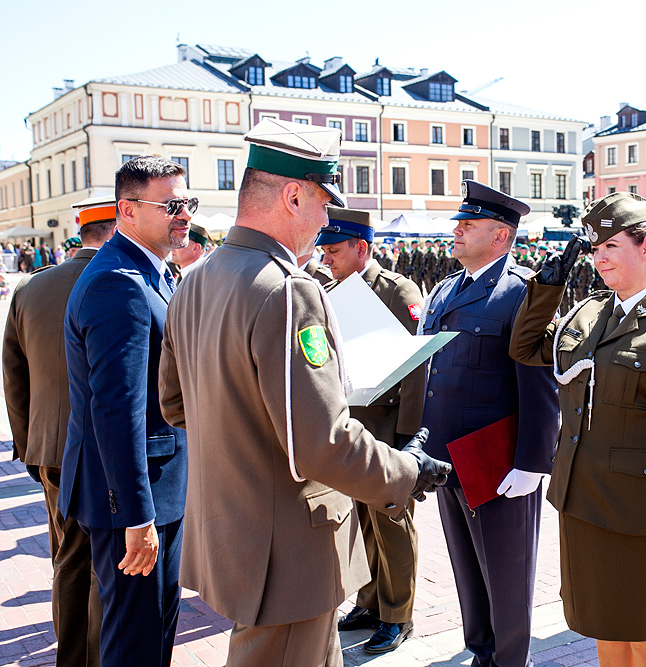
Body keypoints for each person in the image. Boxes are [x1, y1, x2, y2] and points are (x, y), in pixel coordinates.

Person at [158, 118, 450, 667]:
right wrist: (406, 471)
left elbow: (176, 405)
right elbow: (320, 442)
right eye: (321, 204)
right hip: (287, 545)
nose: (324, 221)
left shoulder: (195, 278)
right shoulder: (289, 290)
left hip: (234, 526)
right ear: (292, 196)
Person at [512, 191, 646, 666]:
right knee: (603, 628)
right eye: (595, 248)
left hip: (645, 517)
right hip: (583, 504)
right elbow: (525, 348)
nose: (599, 257)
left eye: (611, 246)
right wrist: (546, 288)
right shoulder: (587, 314)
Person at [418, 180, 560, 667]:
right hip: (446, 455)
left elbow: (541, 383)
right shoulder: (443, 289)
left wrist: (532, 463)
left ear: (501, 236)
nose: (456, 231)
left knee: (506, 572)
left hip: (497, 461)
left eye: (469, 224)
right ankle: (481, 652)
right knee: (467, 569)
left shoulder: (522, 293)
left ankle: (509, 659)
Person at [59, 158, 194, 667]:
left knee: (154, 633)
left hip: (159, 489)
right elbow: (115, 411)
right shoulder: (119, 282)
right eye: (172, 205)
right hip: (134, 501)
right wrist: (136, 516)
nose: (184, 215)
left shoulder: (150, 272)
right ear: (127, 210)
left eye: (188, 204)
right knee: (134, 644)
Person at [3, 195, 117, 666]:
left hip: (49, 444)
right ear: (117, 226)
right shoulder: (118, 280)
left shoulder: (31, 288)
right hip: (107, 447)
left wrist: (28, 442)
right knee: (107, 563)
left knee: (67, 557)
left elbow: (14, 374)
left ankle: (72, 654)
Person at [316, 208, 425, 654]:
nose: (327, 258)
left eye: (335, 250)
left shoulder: (398, 291)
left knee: (392, 524)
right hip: (351, 427)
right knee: (361, 523)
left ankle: (398, 615)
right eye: (323, 250)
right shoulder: (326, 289)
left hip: (386, 428)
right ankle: (370, 601)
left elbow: (419, 367)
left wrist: (408, 437)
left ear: (361, 248)